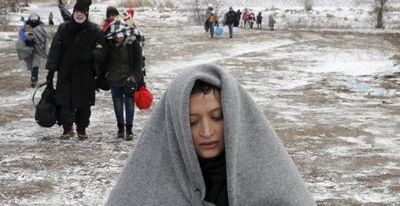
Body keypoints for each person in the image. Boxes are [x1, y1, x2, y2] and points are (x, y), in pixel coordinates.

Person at [105, 63, 316, 205]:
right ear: (176, 125)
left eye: (217, 117)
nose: (206, 132)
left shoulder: (270, 175)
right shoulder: (146, 180)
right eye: (191, 122)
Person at [45, 0, 105, 140]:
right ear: (73, 12)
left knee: (84, 104)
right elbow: (55, 50)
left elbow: (103, 50)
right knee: (65, 102)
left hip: (86, 74)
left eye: (82, 12)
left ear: (86, 13)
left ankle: (82, 129)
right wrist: (51, 72)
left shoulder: (95, 30)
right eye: (77, 11)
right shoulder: (64, 28)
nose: (79, 14)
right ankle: (67, 128)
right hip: (66, 72)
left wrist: (92, 55)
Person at [103, 20, 144, 140]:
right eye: (115, 35)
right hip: (114, 79)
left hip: (128, 79)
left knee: (129, 104)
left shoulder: (133, 43)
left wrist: (134, 77)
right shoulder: (109, 43)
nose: (117, 38)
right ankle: (120, 128)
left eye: (120, 35)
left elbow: (138, 63)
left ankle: (129, 129)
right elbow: (105, 61)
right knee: (117, 104)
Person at [16, 13, 49, 87]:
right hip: (28, 47)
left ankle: (34, 77)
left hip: (38, 47)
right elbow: (21, 33)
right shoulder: (26, 26)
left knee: (36, 61)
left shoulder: (41, 26)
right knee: (31, 61)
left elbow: (44, 35)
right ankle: (34, 76)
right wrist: (26, 40)